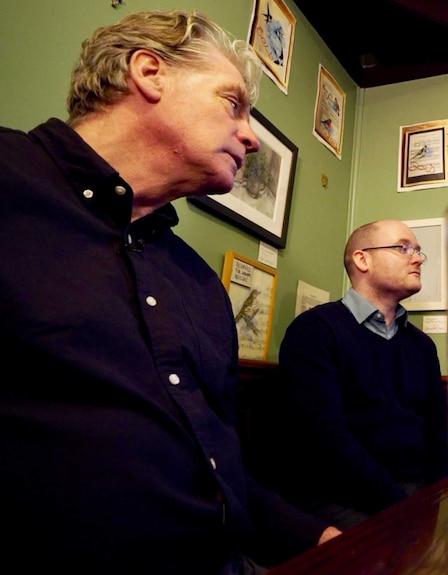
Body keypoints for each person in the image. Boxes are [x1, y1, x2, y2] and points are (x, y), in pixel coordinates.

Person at [0, 10, 340, 574]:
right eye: (234, 103)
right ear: (150, 72)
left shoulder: (197, 281)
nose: (252, 136)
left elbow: (218, 463)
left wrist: (317, 536)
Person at [253, 220, 448, 530]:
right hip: (341, 495)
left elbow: (438, 431)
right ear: (362, 259)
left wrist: (439, 498)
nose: (417, 258)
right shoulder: (315, 330)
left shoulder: (422, 345)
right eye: (404, 248)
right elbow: (325, 437)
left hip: (415, 492)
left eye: (419, 251)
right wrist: (403, 507)